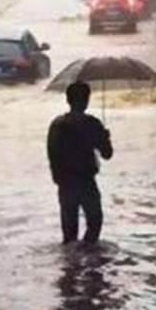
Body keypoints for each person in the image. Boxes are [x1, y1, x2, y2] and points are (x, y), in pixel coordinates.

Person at [47, 82, 114, 245]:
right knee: (95, 221)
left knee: (69, 233)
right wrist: (105, 136)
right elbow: (107, 154)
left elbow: (51, 154)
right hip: (86, 181)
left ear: (68, 100)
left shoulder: (56, 125)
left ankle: (71, 266)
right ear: (86, 100)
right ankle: (89, 255)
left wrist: (58, 178)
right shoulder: (92, 124)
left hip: (65, 183)